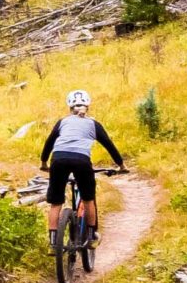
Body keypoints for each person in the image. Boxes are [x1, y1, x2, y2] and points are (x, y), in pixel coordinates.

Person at [38, 89, 126, 240]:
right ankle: (91, 237)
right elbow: (109, 145)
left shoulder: (62, 122)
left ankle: (53, 241)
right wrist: (121, 165)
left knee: (56, 202)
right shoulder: (93, 124)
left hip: (58, 159)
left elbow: (49, 142)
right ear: (88, 106)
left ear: (70, 107)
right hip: (81, 160)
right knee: (88, 199)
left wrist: (44, 163)